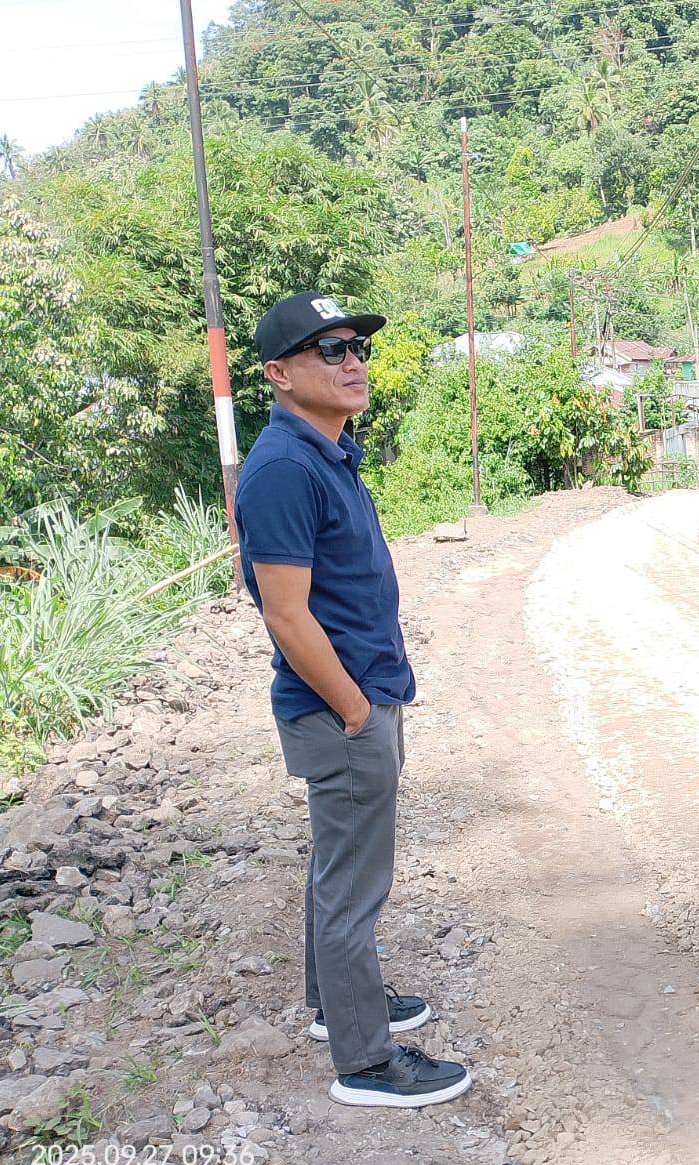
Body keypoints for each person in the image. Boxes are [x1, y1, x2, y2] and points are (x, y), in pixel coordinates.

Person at [234, 290, 472, 1108]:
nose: (353, 364)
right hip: (340, 708)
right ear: (278, 374)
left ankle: (331, 1006)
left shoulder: (327, 451)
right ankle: (365, 1062)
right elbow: (285, 613)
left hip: (361, 695)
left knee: (338, 866)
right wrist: (356, 711)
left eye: (356, 349)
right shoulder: (282, 469)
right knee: (353, 884)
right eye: (328, 352)